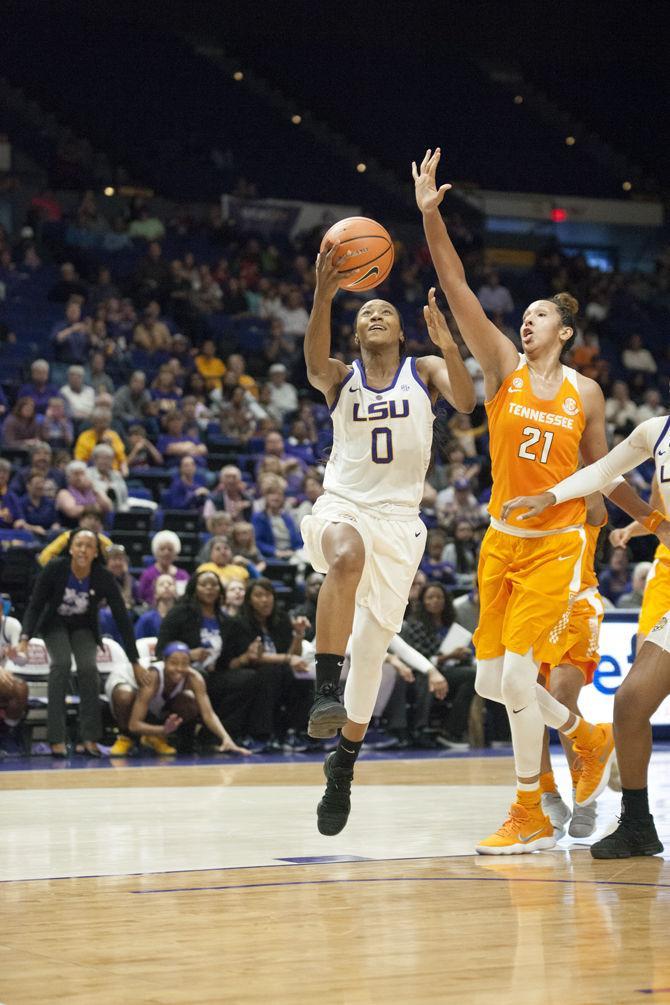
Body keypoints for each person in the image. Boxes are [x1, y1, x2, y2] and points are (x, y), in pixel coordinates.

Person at [413, 147, 652, 854]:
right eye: (524, 313)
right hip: (499, 540)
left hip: (558, 543)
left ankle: (530, 808)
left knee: (520, 674)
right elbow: (454, 284)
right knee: (490, 682)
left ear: (565, 333)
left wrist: (638, 519)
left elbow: (606, 467)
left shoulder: (588, 393)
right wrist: (431, 217)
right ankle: (586, 735)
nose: (527, 320)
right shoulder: (501, 368)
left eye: (540, 315)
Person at [302, 239, 476, 837]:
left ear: (403, 335)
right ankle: (326, 690)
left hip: (401, 525)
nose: (374, 316)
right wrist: (324, 297)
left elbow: (467, 400)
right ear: (355, 336)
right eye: (364, 314)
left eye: (385, 314)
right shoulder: (341, 377)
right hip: (343, 506)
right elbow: (310, 362)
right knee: (343, 557)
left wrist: (449, 345)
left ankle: (344, 763)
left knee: (373, 654)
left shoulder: (422, 370)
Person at [501, 413, 670, 858]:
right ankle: (632, 820)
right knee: (628, 701)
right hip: (541, 593)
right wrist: (548, 495)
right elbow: (603, 470)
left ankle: (583, 773)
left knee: (555, 689)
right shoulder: (657, 431)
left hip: (578, 598)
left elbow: (598, 496)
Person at [17, 528, 146, 757]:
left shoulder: (102, 576)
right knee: (62, 664)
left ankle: (89, 737)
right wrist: (25, 638)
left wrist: (134, 660)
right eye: (78, 544)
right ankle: (56, 738)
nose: (83, 550)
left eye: (88, 546)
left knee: (88, 668)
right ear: (71, 548)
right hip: (54, 624)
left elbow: (122, 618)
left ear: (96, 552)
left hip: (83, 626)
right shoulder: (56, 568)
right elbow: (35, 605)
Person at [535, 494, 608, 840]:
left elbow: (598, 501)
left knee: (561, 694)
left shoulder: (586, 493)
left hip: (578, 604)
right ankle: (547, 794)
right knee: (522, 698)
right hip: (535, 605)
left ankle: (585, 791)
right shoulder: (530, 494)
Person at [105, 641, 250, 757]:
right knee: (125, 696)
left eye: (185, 663)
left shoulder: (194, 678)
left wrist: (226, 739)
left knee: (190, 702)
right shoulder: (153, 676)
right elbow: (134, 725)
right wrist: (163, 729)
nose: (179, 668)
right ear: (164, 661)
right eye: (174, 662)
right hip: (124, 681)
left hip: (150, 698)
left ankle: (153, 737)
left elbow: (208, 714)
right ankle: (126, 738)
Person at [216, 578, 309, 750]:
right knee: (270, 674)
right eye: (258, 595)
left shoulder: (280, 620)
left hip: (278, 670)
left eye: (268, 595)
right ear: (249, 600)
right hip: (245, 670)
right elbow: (255, 657)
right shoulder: (238, 623)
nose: (265, 600)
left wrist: (298, 635)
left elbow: (293, 654)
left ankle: (296, 732)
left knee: (300, 677)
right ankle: (261, 734)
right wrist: (287, 660)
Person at [398, 582, 475, 748]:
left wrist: (463, 654)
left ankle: (451, 731)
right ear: (423, 601)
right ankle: (420, 729)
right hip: (421, 672)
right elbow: (420, 658)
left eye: (439, 597)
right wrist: (448, 657)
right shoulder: (415, 623)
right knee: (428, 678)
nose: (435, 601)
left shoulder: (451, 622)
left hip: (448, 669)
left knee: (473, 674)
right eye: (430, 597)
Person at [138, 530, 190, 605]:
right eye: (162, 549)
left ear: (176, 553)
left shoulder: (183, 576)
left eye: (170, 549)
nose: (166, 553)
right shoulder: (147, 575)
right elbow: (142, 598)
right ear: (155, 552)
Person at [55, 460, 112, 527]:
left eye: (82, 474)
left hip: (96, 527)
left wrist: (94, 489)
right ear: (68, 478)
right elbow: (72, 511)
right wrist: (93, 507)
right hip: (72, 528)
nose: (79, 477)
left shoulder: (93, 490)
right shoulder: (64, 493)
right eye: (76, 474)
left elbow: (108, 507)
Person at [135, 573, 177, 639]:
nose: (166, 586)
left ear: (175, 592)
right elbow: (138, 643)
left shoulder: (183, 618)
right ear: (155, 593)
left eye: (170, 584)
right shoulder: (146, 619)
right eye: (161, 584)